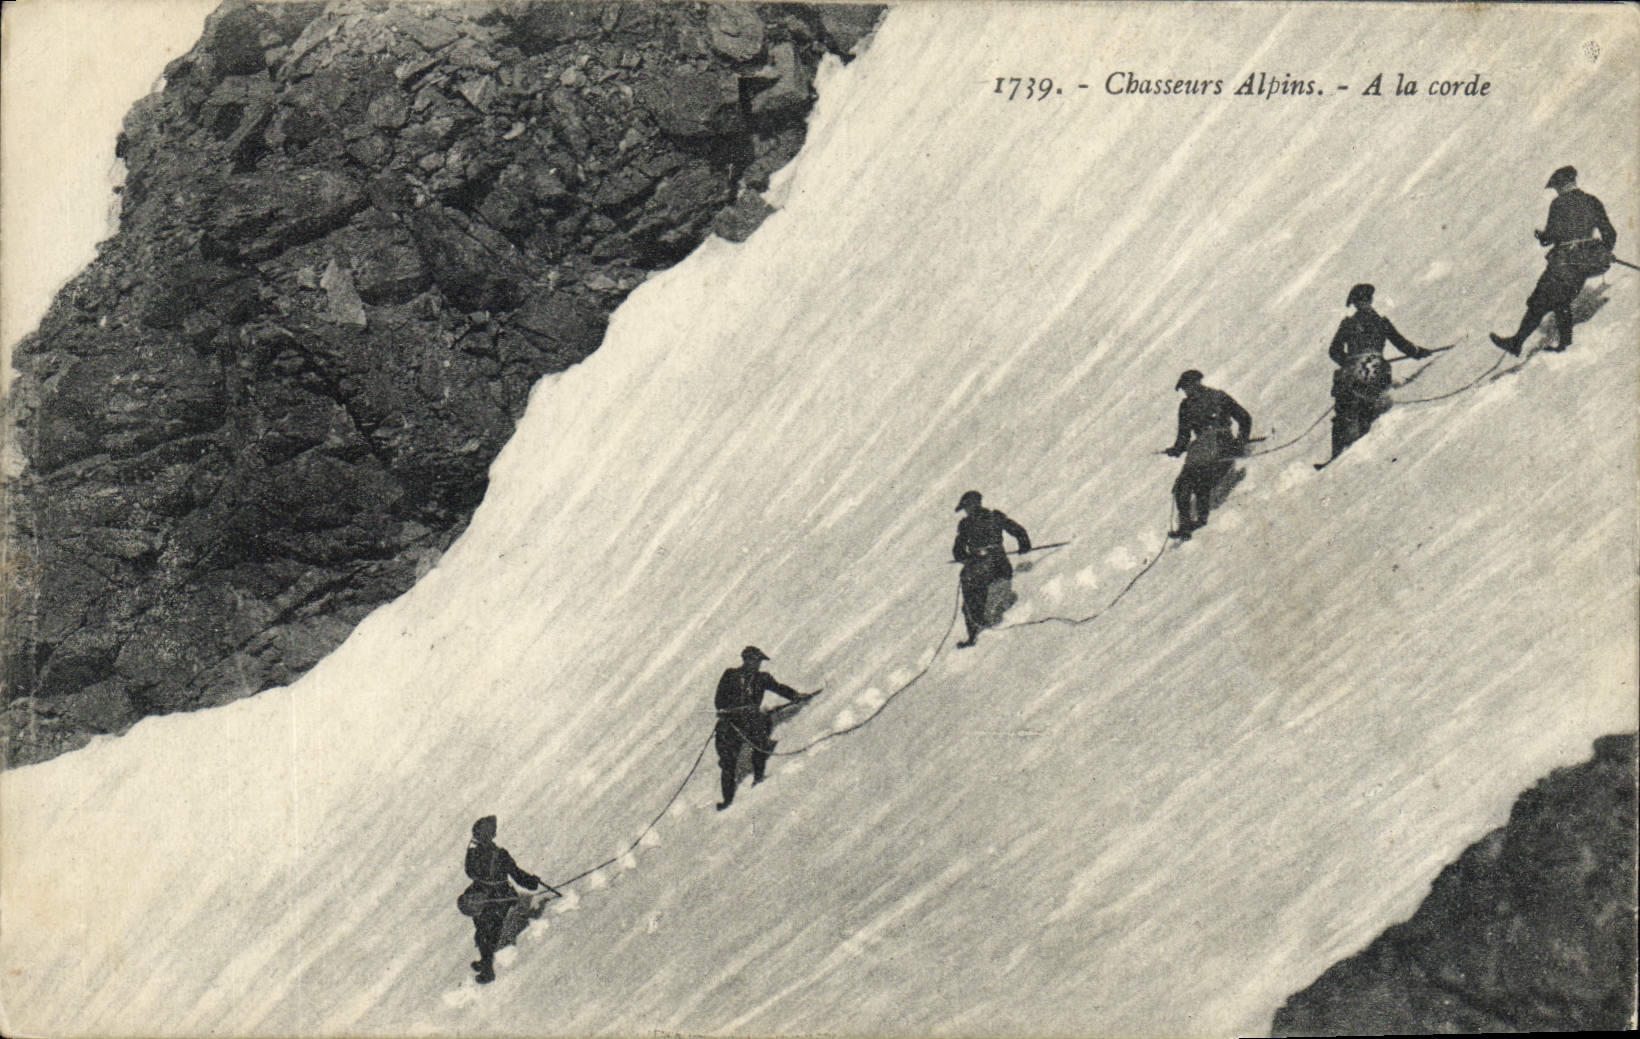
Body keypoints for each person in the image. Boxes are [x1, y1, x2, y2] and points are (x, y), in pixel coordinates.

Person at [1491, 166, 1616, 355]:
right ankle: (1556, 343)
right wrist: (1602, 252)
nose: (1556, 190)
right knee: (1560, 301)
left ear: (1561, 185)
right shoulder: (1592, 201)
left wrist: (1542, 236)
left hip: (1562, 264)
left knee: (1541, 301)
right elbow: (1610, 234)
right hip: (1584, 264)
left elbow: (1552, 236)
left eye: (1556, 187)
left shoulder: (1559, 204)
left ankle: (1523, 343)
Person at [1324, 284, 1431, 463]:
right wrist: (1419, 352)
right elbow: (1402, 344)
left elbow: (1334, 351)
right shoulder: (1381, 322)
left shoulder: (1349, 324)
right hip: (1377, 373)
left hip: (1352, 376)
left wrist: (1349, 362)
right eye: (1362, 302)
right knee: (1369, 407)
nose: (1363, 305)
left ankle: (1340, 453)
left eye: (1362, 302)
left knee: (1344, 411)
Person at [713, 646, 816, 811]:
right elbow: (719, 701)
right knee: (727, 763)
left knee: (760, 745)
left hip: (749, 722)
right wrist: (729, 711)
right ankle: (727, 800)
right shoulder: (730, 675)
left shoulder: (762, 678)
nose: (756, 664)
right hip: (730, 724)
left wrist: (795, 696)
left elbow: (779, 688)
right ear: (745, 659)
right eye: (753, 660)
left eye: (758, 661)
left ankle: (758, 778)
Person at [1164, 371, 1252, 538]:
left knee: (1193, 481)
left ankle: (1194, 523)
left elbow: (1244, 418)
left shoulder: (1211, 399)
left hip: (1217, 446)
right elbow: (1183, 438)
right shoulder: (1196, 403)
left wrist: (1239, 444)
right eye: (1186, 389)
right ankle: (1189, 524)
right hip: (1209, 448)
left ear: (1198, 383)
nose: (1188, 392)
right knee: (1186, 484)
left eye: (1188, 387)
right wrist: (1176, 449)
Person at [463, 815, 545, 984]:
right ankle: (486, 962)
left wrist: (530, 882)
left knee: (485, 932)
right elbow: (517, 875)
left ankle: (487, 968)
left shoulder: (476, 853)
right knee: (486, 932)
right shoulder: (499, 854)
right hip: (499, 897)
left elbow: (470, 872)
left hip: (484, 898)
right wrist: (532, 882)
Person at [951, 490, 1031, 646]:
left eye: (966, 507)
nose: (967, 511)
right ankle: (999, 611)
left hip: (980, 570)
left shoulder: (966, 524)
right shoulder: (995, 516)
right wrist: (1024, 546)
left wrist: (969, 560)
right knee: (989, 594)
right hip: (1001, 565)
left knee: (970, 600)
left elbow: (958, 552)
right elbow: (1019, 532)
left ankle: (974, 636)